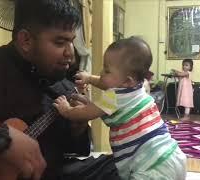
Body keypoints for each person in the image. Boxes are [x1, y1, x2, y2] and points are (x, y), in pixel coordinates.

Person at [0, 0, 91, 179]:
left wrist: (78, 128)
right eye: (60, 42)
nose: (70, 53)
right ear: (26, 40)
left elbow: (72, 152)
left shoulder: (66, 88)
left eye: (71, 42)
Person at [53, 36, 187, 180]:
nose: (101, 72)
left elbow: (85, 113)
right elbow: (106, 84)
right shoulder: (140, 86)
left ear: (127, 81)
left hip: (149, 166)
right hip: (171, 155)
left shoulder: (113, 98)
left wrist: (66, 110)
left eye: (107, 70)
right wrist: (89, 79)